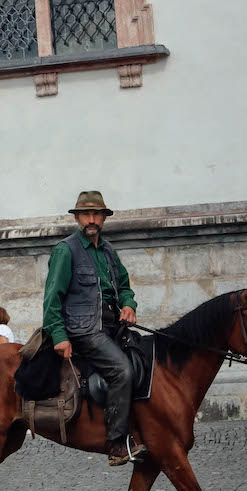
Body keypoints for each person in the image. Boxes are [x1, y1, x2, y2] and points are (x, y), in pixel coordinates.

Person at [42, 190, 146, 467]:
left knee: (145, 359)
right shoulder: (66, 250)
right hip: (83, 330)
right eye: (86, 214)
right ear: (77, 218)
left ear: (103, 218)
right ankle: (116, 443)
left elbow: (124, 286)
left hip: (112, 327)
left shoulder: (109, 251)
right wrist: (59, 336)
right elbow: (52, 298)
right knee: (121, 370)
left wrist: (129, 305)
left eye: (96, 214)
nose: (91, 219)